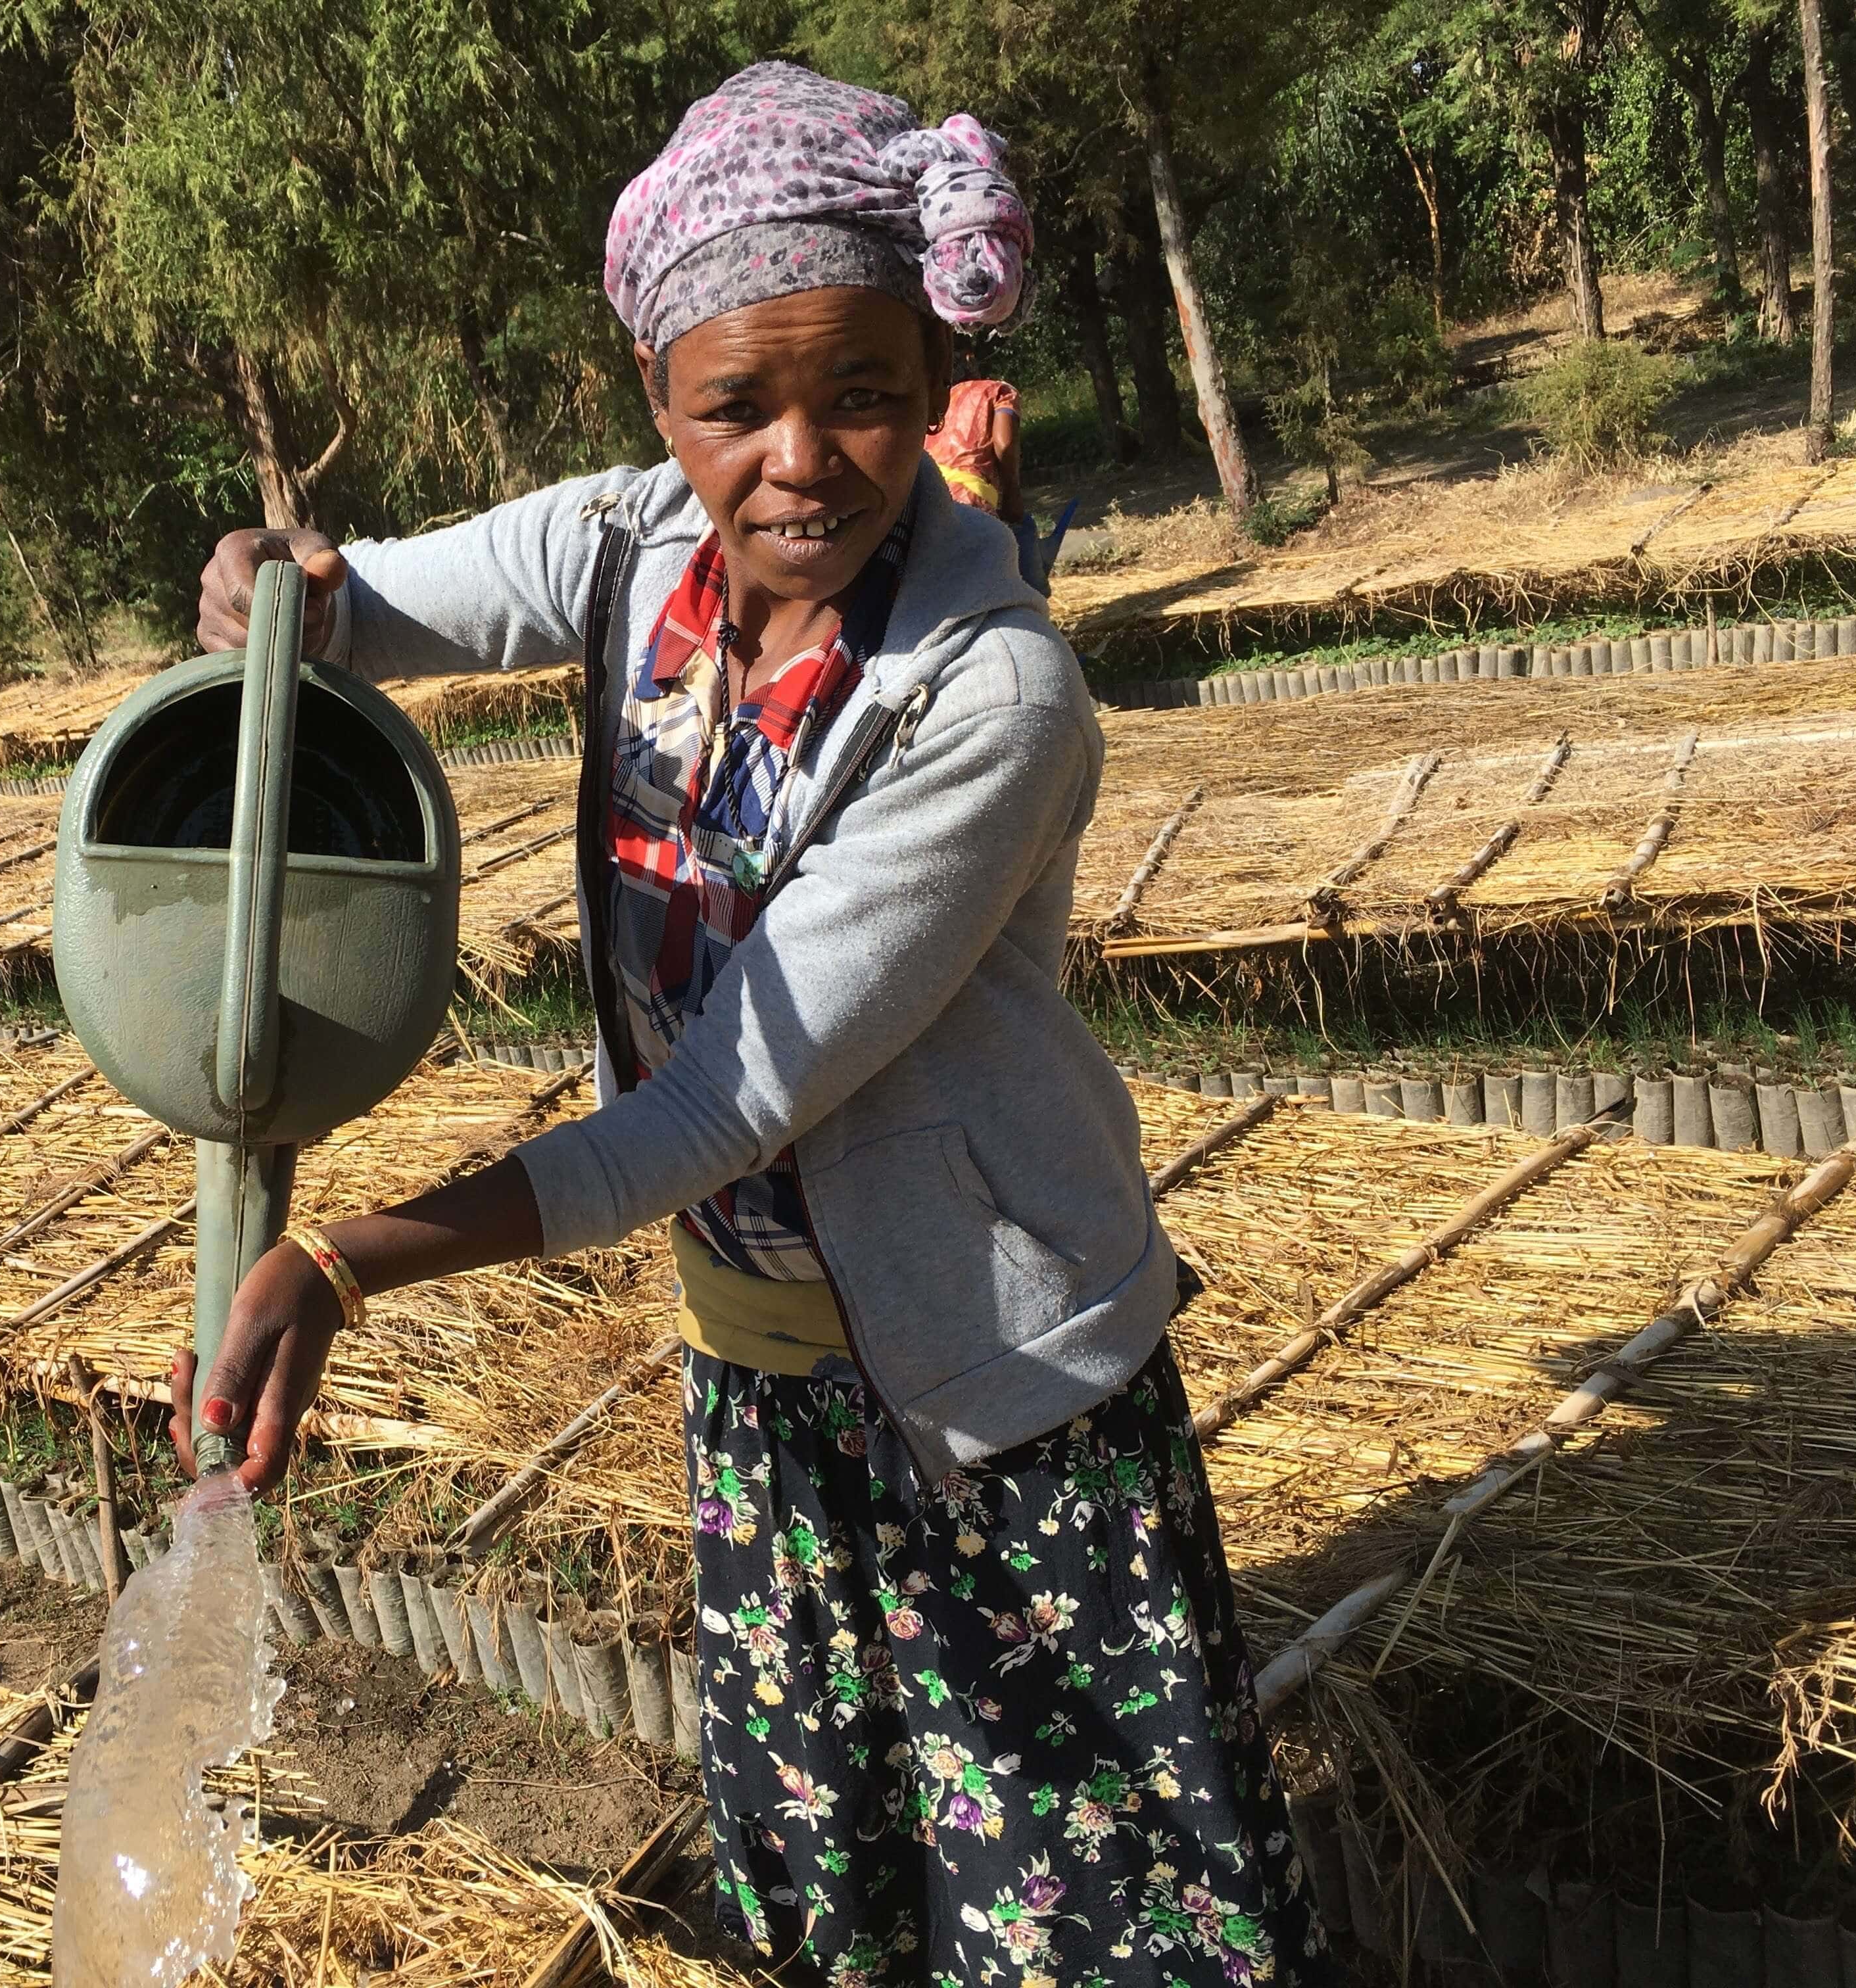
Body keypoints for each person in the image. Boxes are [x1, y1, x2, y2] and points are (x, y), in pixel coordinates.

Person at [172, 60, 1333, 1988]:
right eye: (740, 407)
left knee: (1088, 1933)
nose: (805, 457)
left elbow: (718, 1106)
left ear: (924, 383)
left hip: (1003, 1404)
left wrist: (346, 1262)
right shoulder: (632, 549)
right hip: (766, 1385)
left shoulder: (992, 689)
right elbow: (362, 609)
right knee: (830, 1903)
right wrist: (269, 589)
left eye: (863, 393)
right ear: (661, 402)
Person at [930, 373, 1022, 517]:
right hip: (970, 497)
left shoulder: (948, 395)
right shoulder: (1003, 391)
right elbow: (1005, 445)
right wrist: (1012, 495)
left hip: (929, 494)